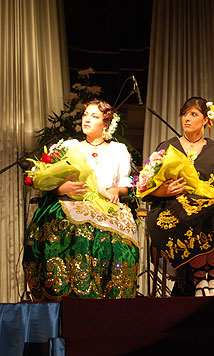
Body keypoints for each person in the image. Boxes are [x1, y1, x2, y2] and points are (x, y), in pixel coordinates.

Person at [23, 100, 139, 301]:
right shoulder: (70, 146)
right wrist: (61, 188)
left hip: (104, 205)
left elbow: (125, 184)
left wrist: (116, 190)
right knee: (64, 225)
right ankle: (63, 292)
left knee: (115, 233)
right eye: (86, 114)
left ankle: (104, 294)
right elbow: (53, 178)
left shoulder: (118, 149)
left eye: (94, 116)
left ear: (106, 123)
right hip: (71, 201)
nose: (87, 119)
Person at [144, 97, 214, 297]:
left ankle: (212, 280)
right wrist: (163, 191)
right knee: (193, 218)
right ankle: (201, 280)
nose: (187, 119)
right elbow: (147, 184)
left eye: (193, 114)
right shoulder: (168, 146)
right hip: (173, 206)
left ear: (206, 119)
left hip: (210, 205)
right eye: (184, 114)